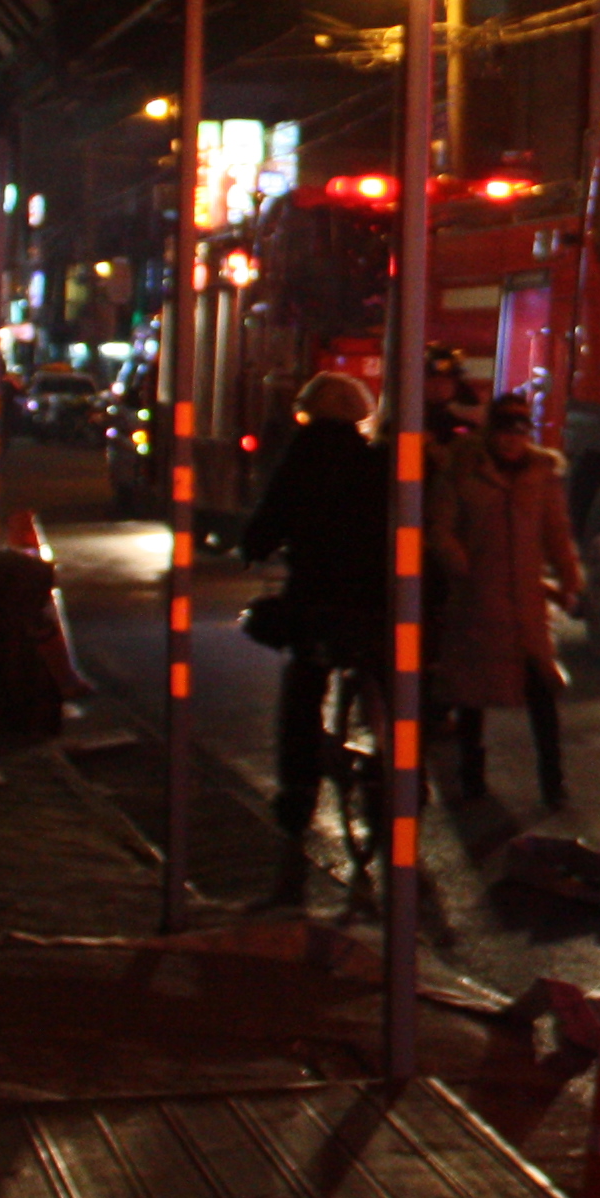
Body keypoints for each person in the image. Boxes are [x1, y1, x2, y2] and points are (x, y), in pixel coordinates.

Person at [235, 369, 389, 900]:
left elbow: (273, 512)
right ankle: (399, 768)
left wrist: (253, 545)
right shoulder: (376, 460)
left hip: (317, 597)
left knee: (302, 691)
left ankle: (296, 796)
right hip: (373, 600)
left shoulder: (303, 456)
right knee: (383, 673)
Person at [429, 391, 581, 804]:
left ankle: (553, 782)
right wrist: (460, 564)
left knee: (541, 694)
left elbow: (556, 532)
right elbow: (440, 527)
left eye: (520, 430)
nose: (512, 439)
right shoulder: (463, 471)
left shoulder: (541, 475)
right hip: (478, 602)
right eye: (504, 430)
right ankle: (471, 776)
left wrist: (569, 576)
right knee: (471, 695)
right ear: (490, 433)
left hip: (525, 608)